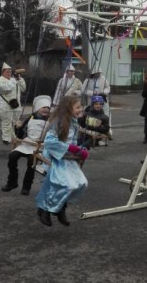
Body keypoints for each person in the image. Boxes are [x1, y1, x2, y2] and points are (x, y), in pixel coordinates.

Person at [36, 96, 89, 227]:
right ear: (68, 109)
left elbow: (73, 142)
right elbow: (49, 142)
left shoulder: (74, 122)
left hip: (66, 156)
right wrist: (70, 148)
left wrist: (79, 150)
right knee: (66, 184)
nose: (80, 110)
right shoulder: (57, 122)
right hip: (55, 155)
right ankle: (44, 209)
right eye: (77, 107)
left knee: (82, 183)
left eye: (80, 107)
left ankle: (59, 207)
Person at [1, 95, 51, 195]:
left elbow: (52, 136)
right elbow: (20, 135)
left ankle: (26, 186)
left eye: (47, 108)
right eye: (43, 107)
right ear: (37, 108)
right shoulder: (30, 118)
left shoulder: (50, 121)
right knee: (12, 156)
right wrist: (18, 127)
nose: (46, 109)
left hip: (39, 146)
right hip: (27, 143)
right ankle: (12, 182)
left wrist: (45, 143)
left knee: (32, 161)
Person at [0, 62, 26, 144]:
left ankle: (13, 136)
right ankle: (6, 139)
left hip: (15, 104)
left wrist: (19, 79)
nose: (9, 73)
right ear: (3, 72)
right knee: (6, 121)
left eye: (10, 71)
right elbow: (6, 89)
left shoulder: (14, 79)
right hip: (4, 105)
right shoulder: (0, 80)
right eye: (7, 71)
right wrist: (13, 82)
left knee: (15, 121)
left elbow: (23, 88)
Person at [81, 66, 112, 137]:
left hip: (102, 100)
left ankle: (108, 130)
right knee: (92, 115)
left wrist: (104, 92)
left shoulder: (103, 78)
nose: (98, 75)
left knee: (106, 114)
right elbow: (83, 90)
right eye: (96, 73)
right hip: (91, 100)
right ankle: (92, 130)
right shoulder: (87, 80)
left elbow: (108, 87)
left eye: (99, 73)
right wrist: (92, 93)